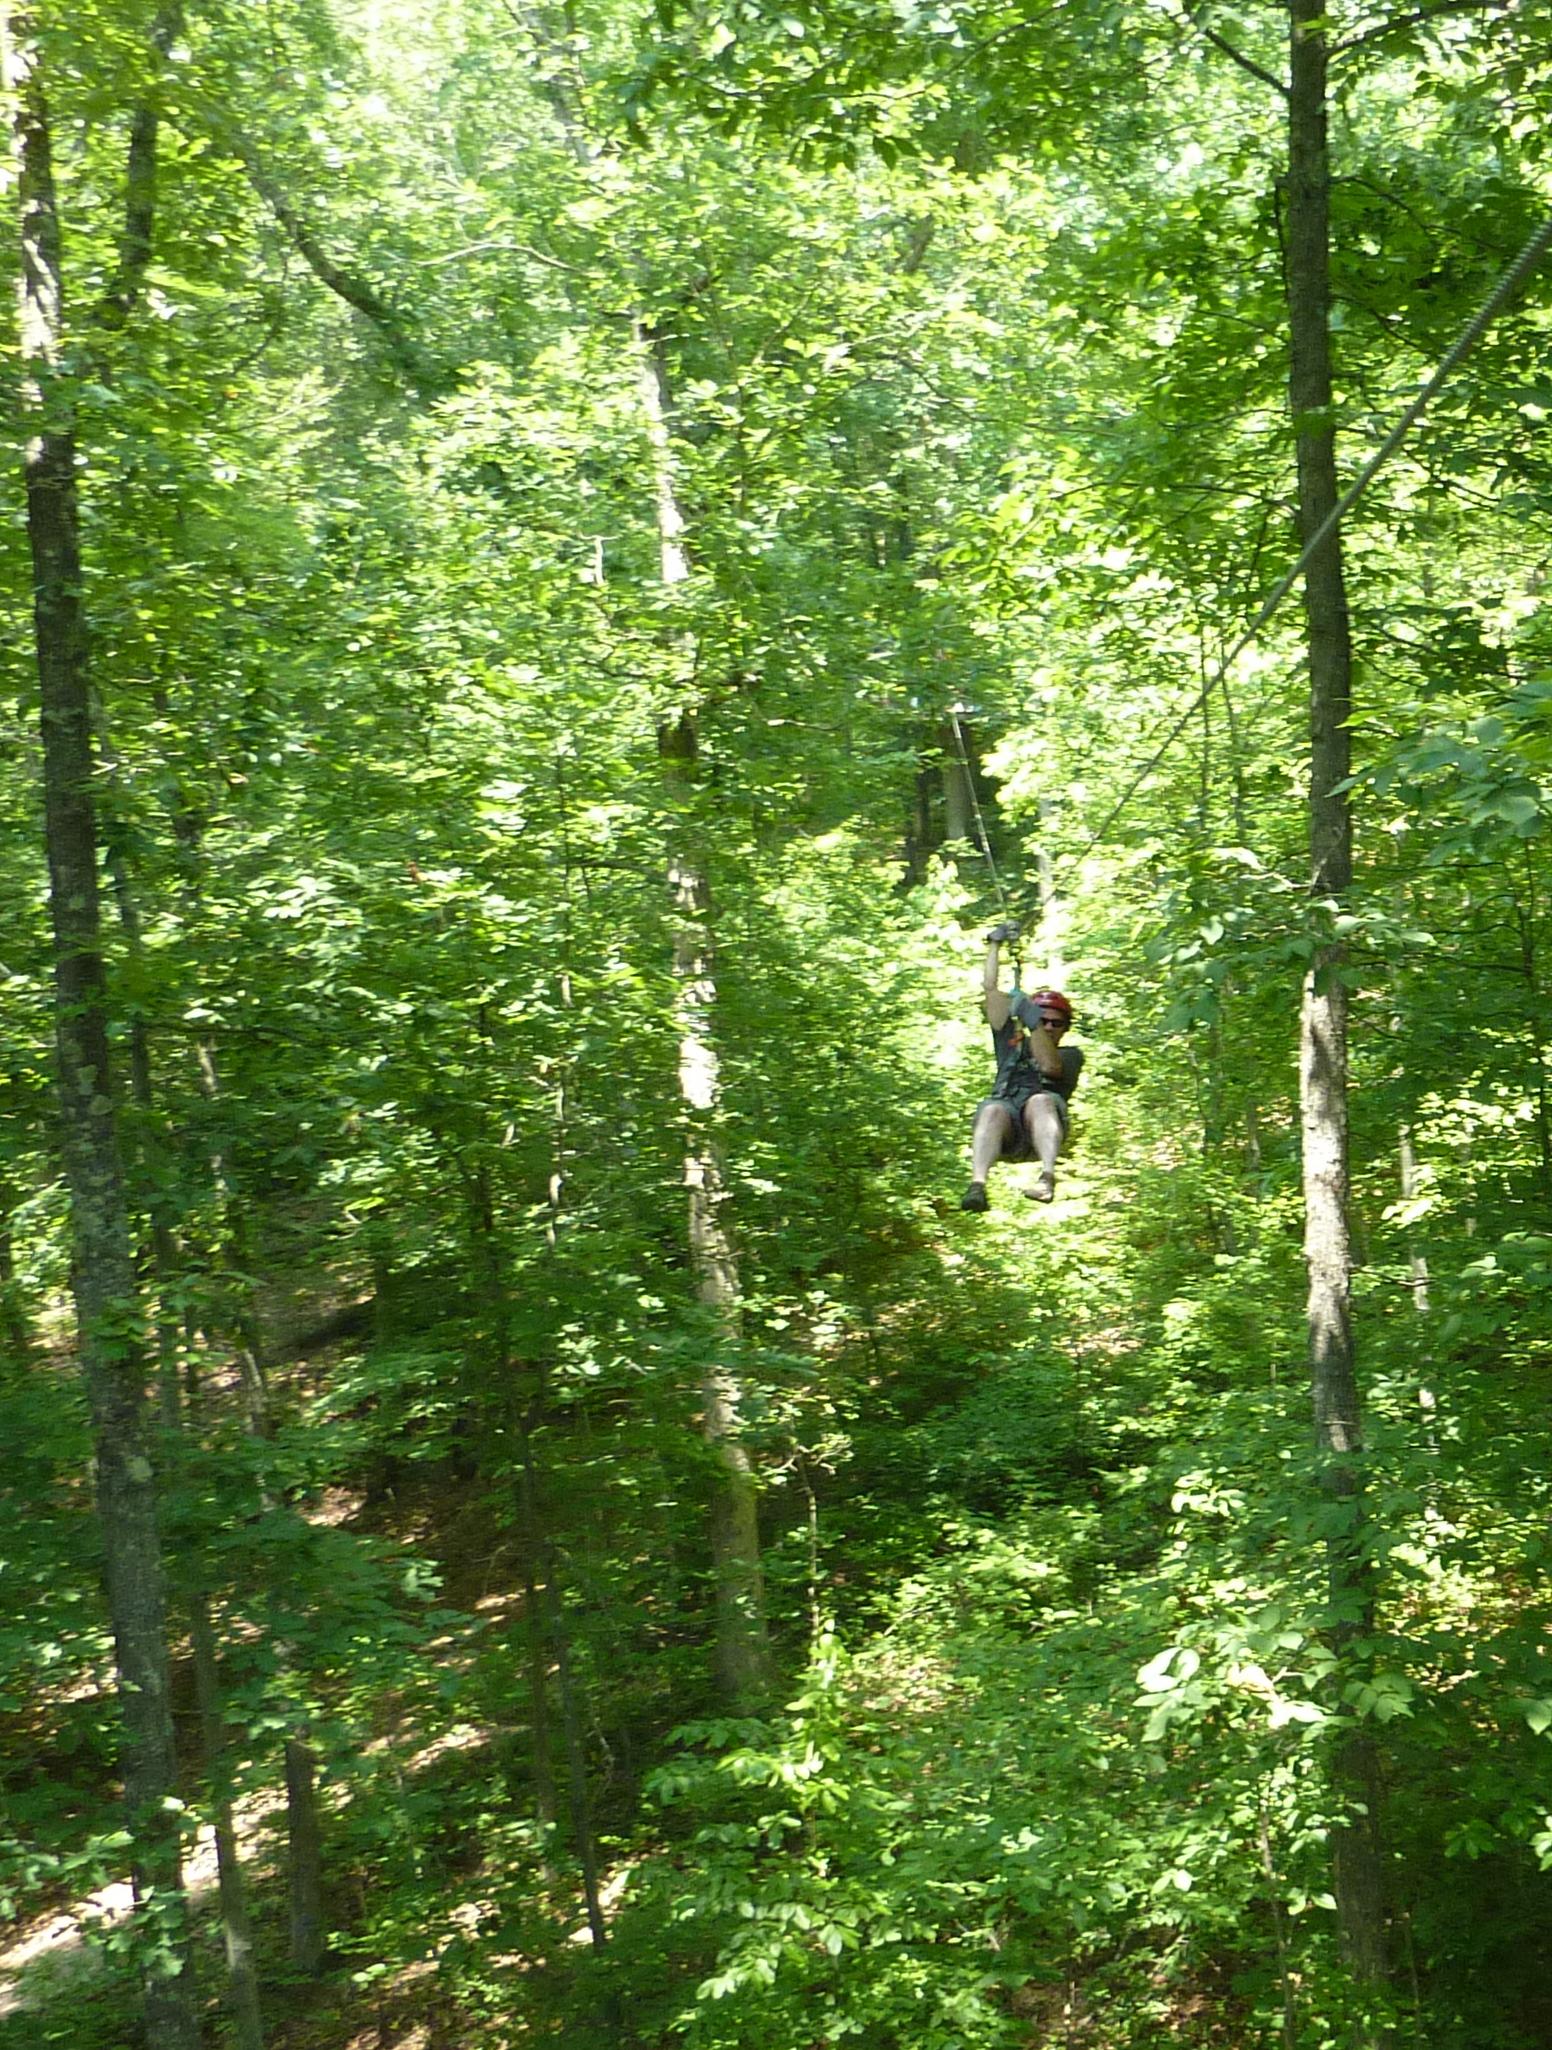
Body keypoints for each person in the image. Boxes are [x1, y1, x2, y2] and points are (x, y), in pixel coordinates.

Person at [960, 920, 1082, 1213]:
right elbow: (991, 990)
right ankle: (977, 1185)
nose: (1050, 1027)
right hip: (1007, 1121)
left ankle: (1047, 1178)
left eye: (1056, 1023)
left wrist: (1033, 1024)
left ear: (1065, 1028)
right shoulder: (1012, 1042)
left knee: (1040, 1100)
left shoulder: (1071, 1055)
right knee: (991, 1108)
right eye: (1045, 1020)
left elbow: (1049, 1066)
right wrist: (994, 944)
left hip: (1041, 1120)